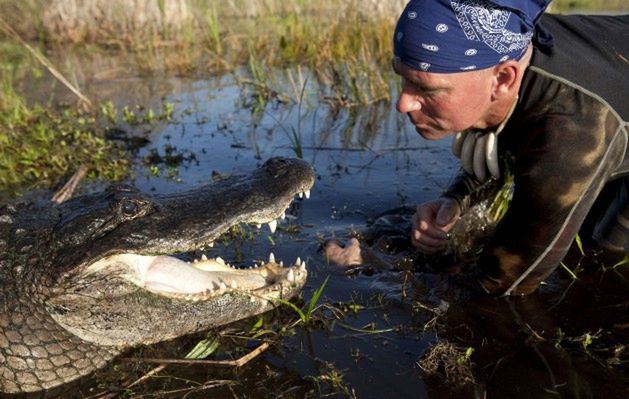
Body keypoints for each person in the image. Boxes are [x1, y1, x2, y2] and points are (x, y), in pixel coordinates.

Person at [325, 0, 629, 296]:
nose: (402, 102)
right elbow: (505, 138)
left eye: (428, 89)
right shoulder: (510, 38)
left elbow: (500, 284)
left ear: (502, 79)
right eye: (402, 78)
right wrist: (457, 200)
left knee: (603, 252)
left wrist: (372, 267)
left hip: (604, 118)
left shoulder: (569, 134)